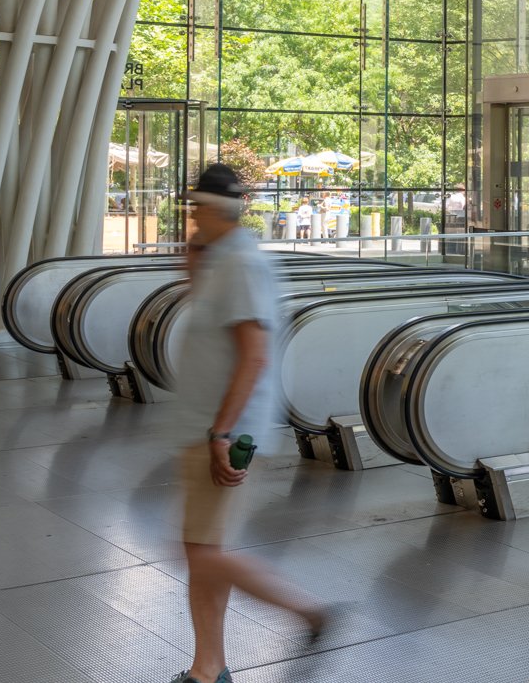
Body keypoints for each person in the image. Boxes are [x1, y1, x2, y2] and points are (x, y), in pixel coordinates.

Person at [167, 163, 329, 683]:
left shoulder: (240, 263)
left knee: (198, 550)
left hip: (222, 431)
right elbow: (197, 296)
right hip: (206, 425)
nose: (191, 218)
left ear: (216, 211)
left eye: (196, 209)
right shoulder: (222, 259)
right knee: (202, 549)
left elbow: (254, 356)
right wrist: (195, 250)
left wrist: (221, 433)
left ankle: (304, 611)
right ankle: (207, 667)